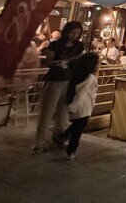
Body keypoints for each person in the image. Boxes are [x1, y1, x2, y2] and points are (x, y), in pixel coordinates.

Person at [32, 21, 85, 153]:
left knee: (64, 111)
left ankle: (60, 137)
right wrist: (59, 63)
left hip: (70, 80)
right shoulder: (55, 45)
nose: (74, 36)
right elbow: (48, 63)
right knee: (47, 111)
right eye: (72, 32)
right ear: (66, 31)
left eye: (77, 33)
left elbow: (81, 60)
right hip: (55, 79)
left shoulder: (79, 46)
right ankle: (40, 142)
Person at [57, 54, 99, 160]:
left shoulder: (77, 75)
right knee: (78, 130)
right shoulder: (91, 78)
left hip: (79, 105)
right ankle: (71, 151)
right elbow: (81, 93)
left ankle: (65, 135)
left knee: (76, 125)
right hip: (83, 106)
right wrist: (73, 107)